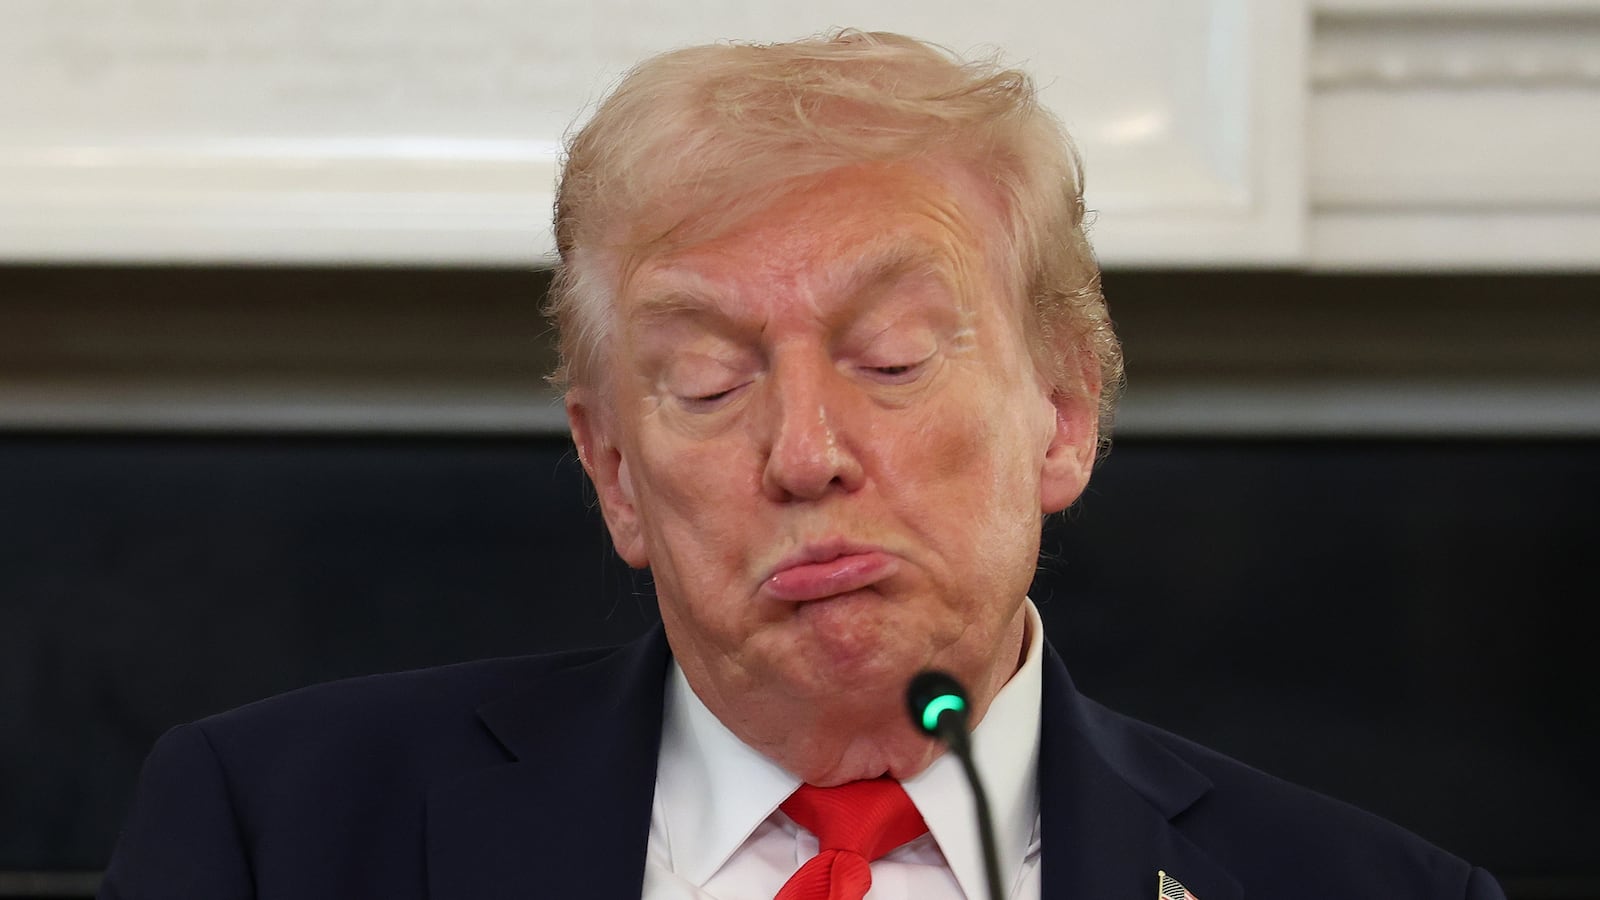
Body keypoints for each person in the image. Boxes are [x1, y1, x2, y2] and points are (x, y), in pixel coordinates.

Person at [99, 30, 1504, 900]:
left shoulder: (1361, 889)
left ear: (1062, 414)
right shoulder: (275, 835)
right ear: (614, 473)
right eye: (706, 382)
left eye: (892, 359)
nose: (806, 454)